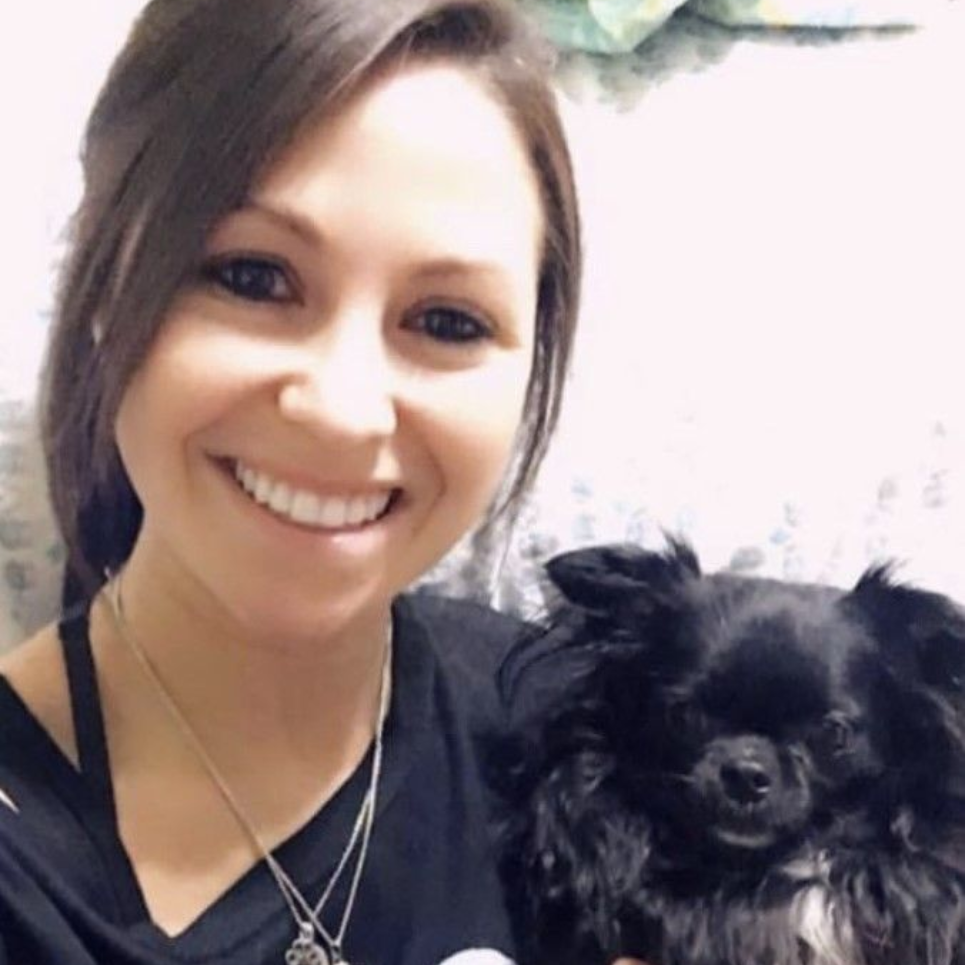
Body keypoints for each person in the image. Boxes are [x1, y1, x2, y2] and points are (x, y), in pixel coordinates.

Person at [0, 0, 651, 963]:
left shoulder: (578, 737)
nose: (343, 411)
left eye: (446, 321)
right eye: (253, 277)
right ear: (103, 287)